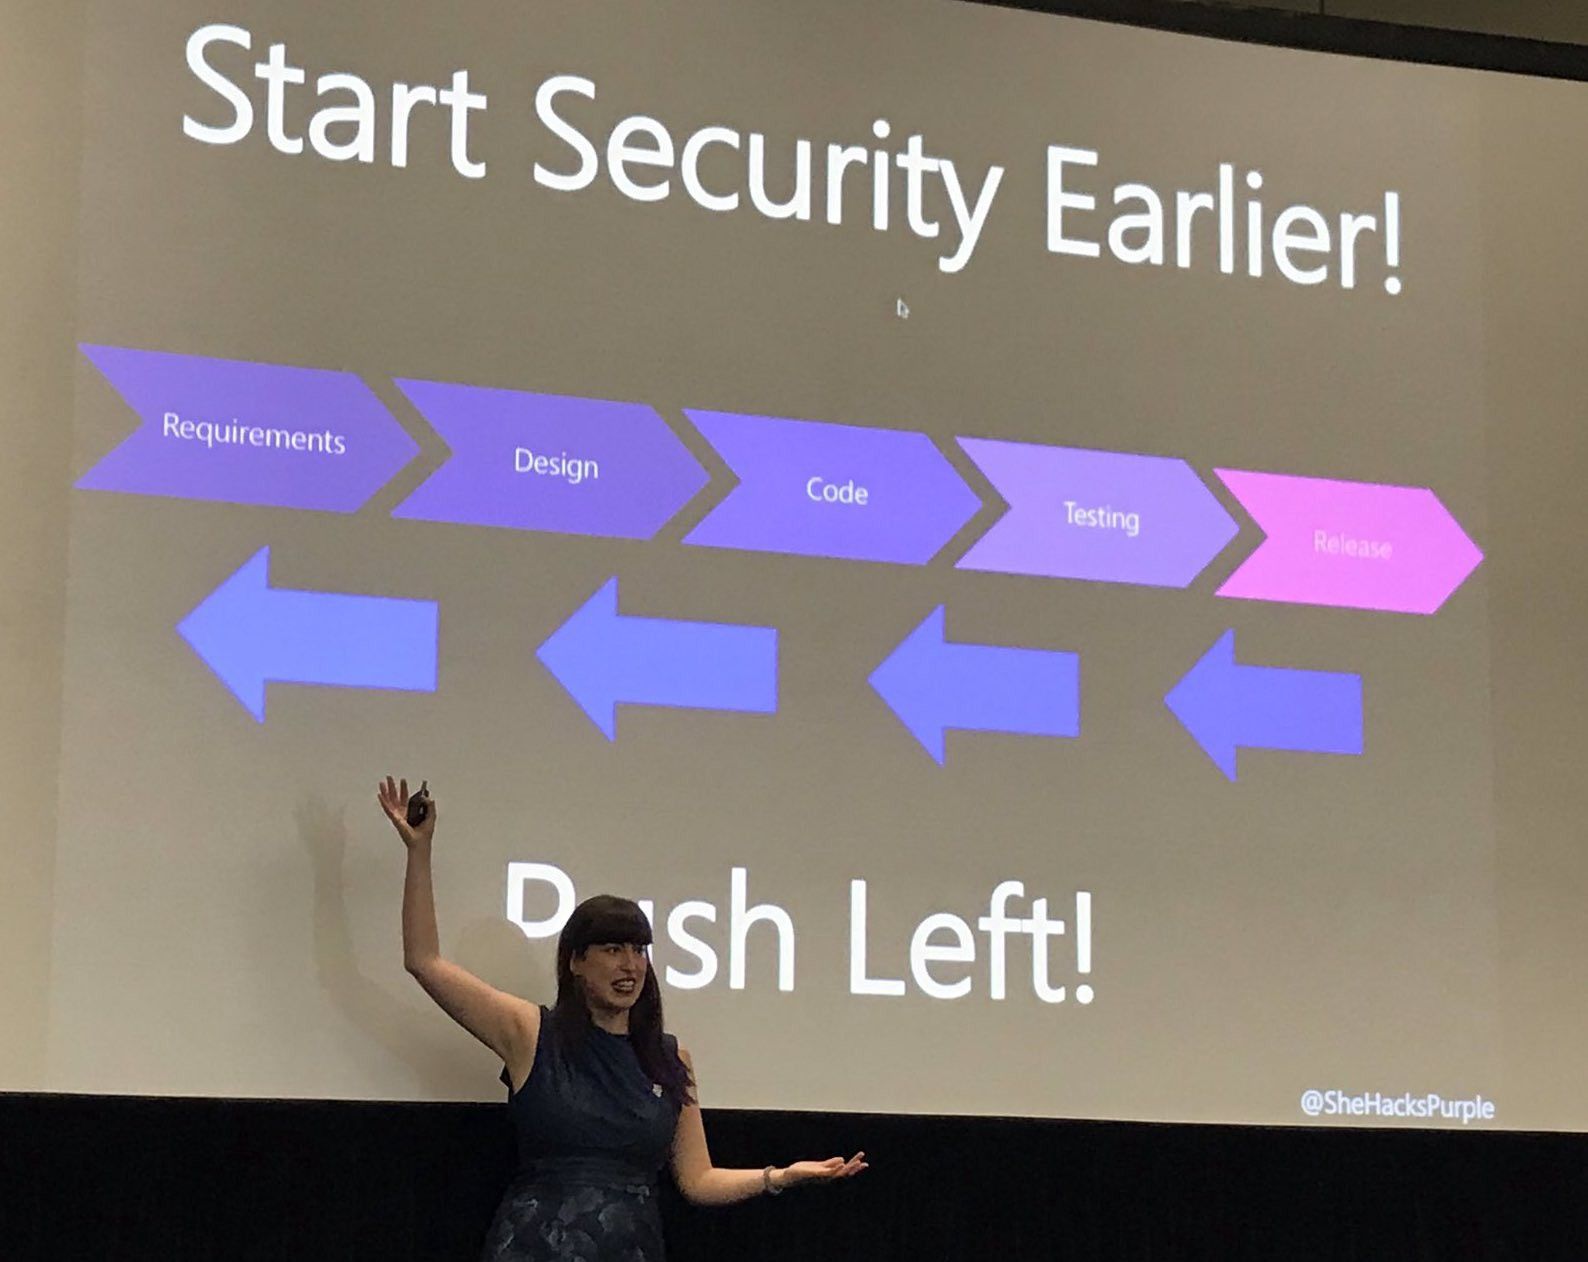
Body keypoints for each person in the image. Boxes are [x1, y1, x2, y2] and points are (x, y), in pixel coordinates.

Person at [377, 776, 867, 1261]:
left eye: (638, 950)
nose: (630, 965)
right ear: (576, 961)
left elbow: (698, 1180)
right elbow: (424, 961)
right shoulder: (532, 1034)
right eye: (613, 949)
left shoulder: (670, 1058)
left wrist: (779, 1177)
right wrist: (419, 851)